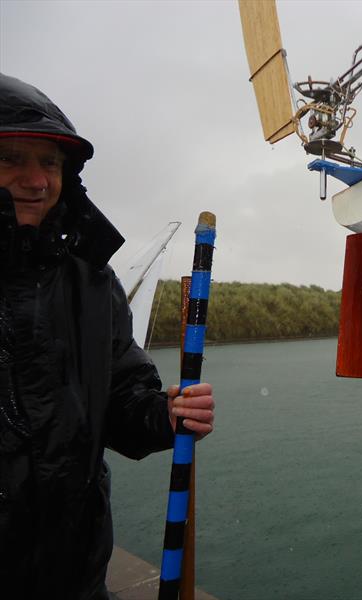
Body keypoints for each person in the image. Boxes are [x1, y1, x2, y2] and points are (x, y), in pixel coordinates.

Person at [0, 73, 216, 599]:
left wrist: (163, 415)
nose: (36, 181)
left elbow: (120, 394)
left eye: (50, 163)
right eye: (12, 159)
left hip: (76, 572)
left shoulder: (93, 283)